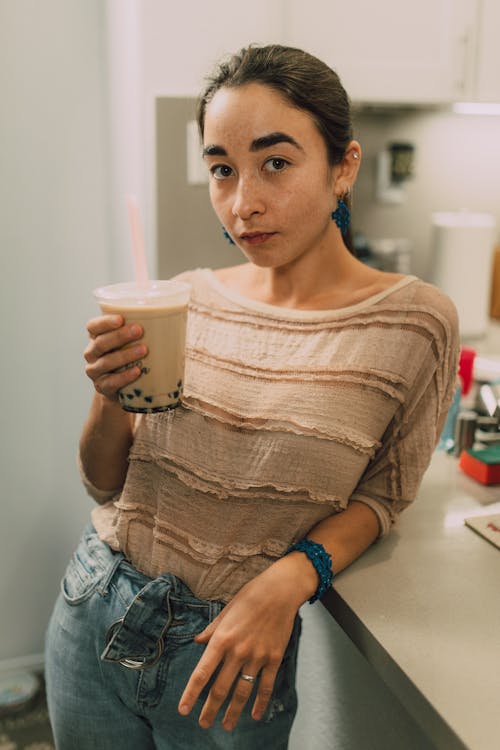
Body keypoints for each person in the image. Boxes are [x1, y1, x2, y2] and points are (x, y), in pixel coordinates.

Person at [45, 44, 459, 749]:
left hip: (227, 658)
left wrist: (293, 577)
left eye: (276, 163)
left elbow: (384, 495)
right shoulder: (180, 299)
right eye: (221, 170)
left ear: (344, 167)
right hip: (93, 608)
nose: (243, 204)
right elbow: (102, 481)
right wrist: (109, 396)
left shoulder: (415, 322)